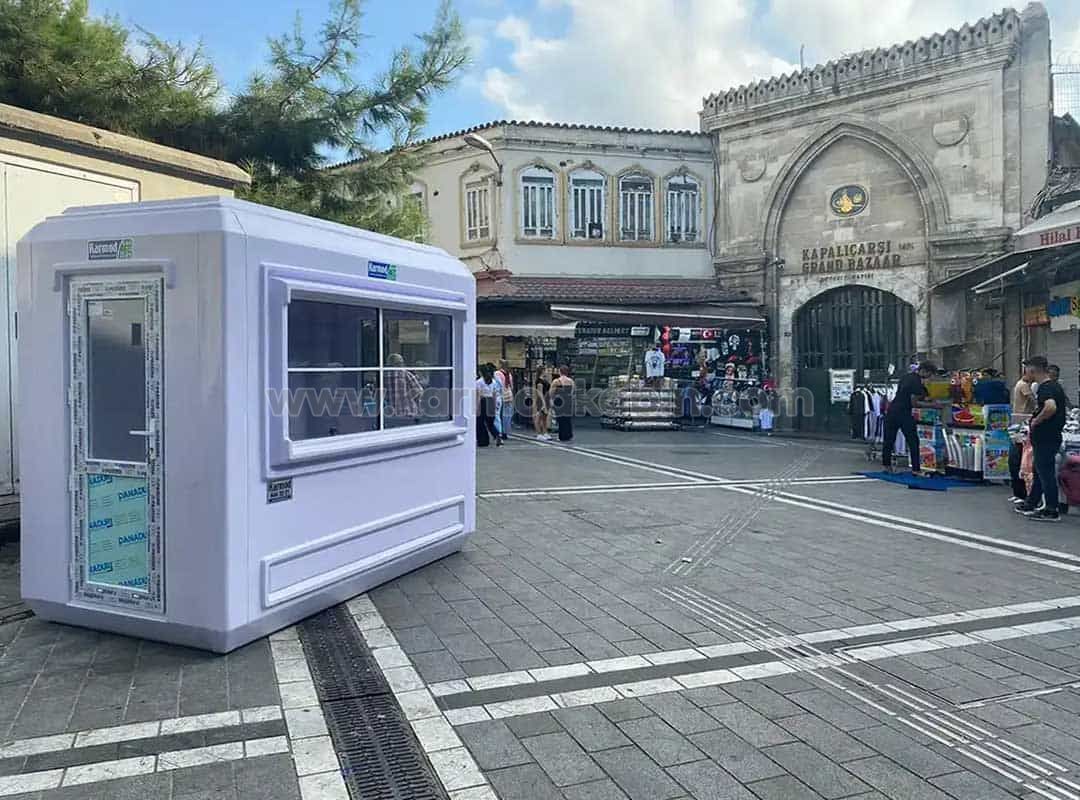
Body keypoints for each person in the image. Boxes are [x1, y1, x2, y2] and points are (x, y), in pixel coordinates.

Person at [1016, 356, 1066, 521]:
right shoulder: (1054, 386)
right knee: (1039, 471)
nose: (1026, 372)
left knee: (1046, 473)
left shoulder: (1046, 388)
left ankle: (1052, 509)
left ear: (1033, 370)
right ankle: (1032, 502)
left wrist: (1037, 420)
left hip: (1046, 436)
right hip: (1049, 436)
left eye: (1027, 369)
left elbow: (1050, 407)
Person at [882, 361, 937, 474]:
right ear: (924, 371)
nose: (930, 377)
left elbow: (905, 394)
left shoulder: (906, 377)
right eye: (930, 374)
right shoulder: (916, 382)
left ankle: (887, 466)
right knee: (913, 441)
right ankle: (916, 469)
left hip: (892, 410)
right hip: (903, 413)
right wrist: (934, 405)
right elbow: (914, 403)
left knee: (889, 439)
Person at [1008, 362, 1037, 504]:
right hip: (1023, 423)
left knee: (1018, 460)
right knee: (1021, 460)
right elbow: (1033, 400)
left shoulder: (1018, 384)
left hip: (1018, 423)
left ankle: (1019, 493)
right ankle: (1022, 493)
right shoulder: (1024, 385)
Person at [385, 353, 424, 426]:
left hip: (390, 413)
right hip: (408, 411)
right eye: (401, 362)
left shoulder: (383, 376)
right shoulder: (406, 374)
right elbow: (419, 391)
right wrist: (408, 398)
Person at [475, 365, 501, 448]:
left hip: (483, 401)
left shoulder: (479, 382)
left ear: (480, 372)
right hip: (490, 402)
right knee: (490, 422)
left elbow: (478, 395)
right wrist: (494, 406)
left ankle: (483, 440)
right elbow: (494, 395)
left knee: (480, 422)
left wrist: (477, 407)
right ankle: (496, 434)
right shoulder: (493, 381)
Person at [550, 365, 576, 442]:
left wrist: (552, 399)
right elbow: (573, 391)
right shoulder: (571, 381)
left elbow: (551, 392)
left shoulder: (556, 381)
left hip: (559, 400)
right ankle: (568, 434)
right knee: (567, 418)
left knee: (560, 418)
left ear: (560, 372)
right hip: (568, 400)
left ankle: (562, 436)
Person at [495, 360, 515, 440]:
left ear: (500, 365)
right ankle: (505, 432)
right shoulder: (509, 374)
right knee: (507, 415)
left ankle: (499, 431)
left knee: (498, 415)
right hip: (509, 395)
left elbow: (497, 385)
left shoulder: (497, 373)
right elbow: (512, 386)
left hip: (501, 395)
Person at [533, 372, 551, 440]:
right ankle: (539, 433)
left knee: (544, 417)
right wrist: (543, 403)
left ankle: (545, 432)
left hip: (546, 399)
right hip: (541, 400)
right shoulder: (539, 381)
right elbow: (540, 393)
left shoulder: (545, 380)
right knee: (539, 417)